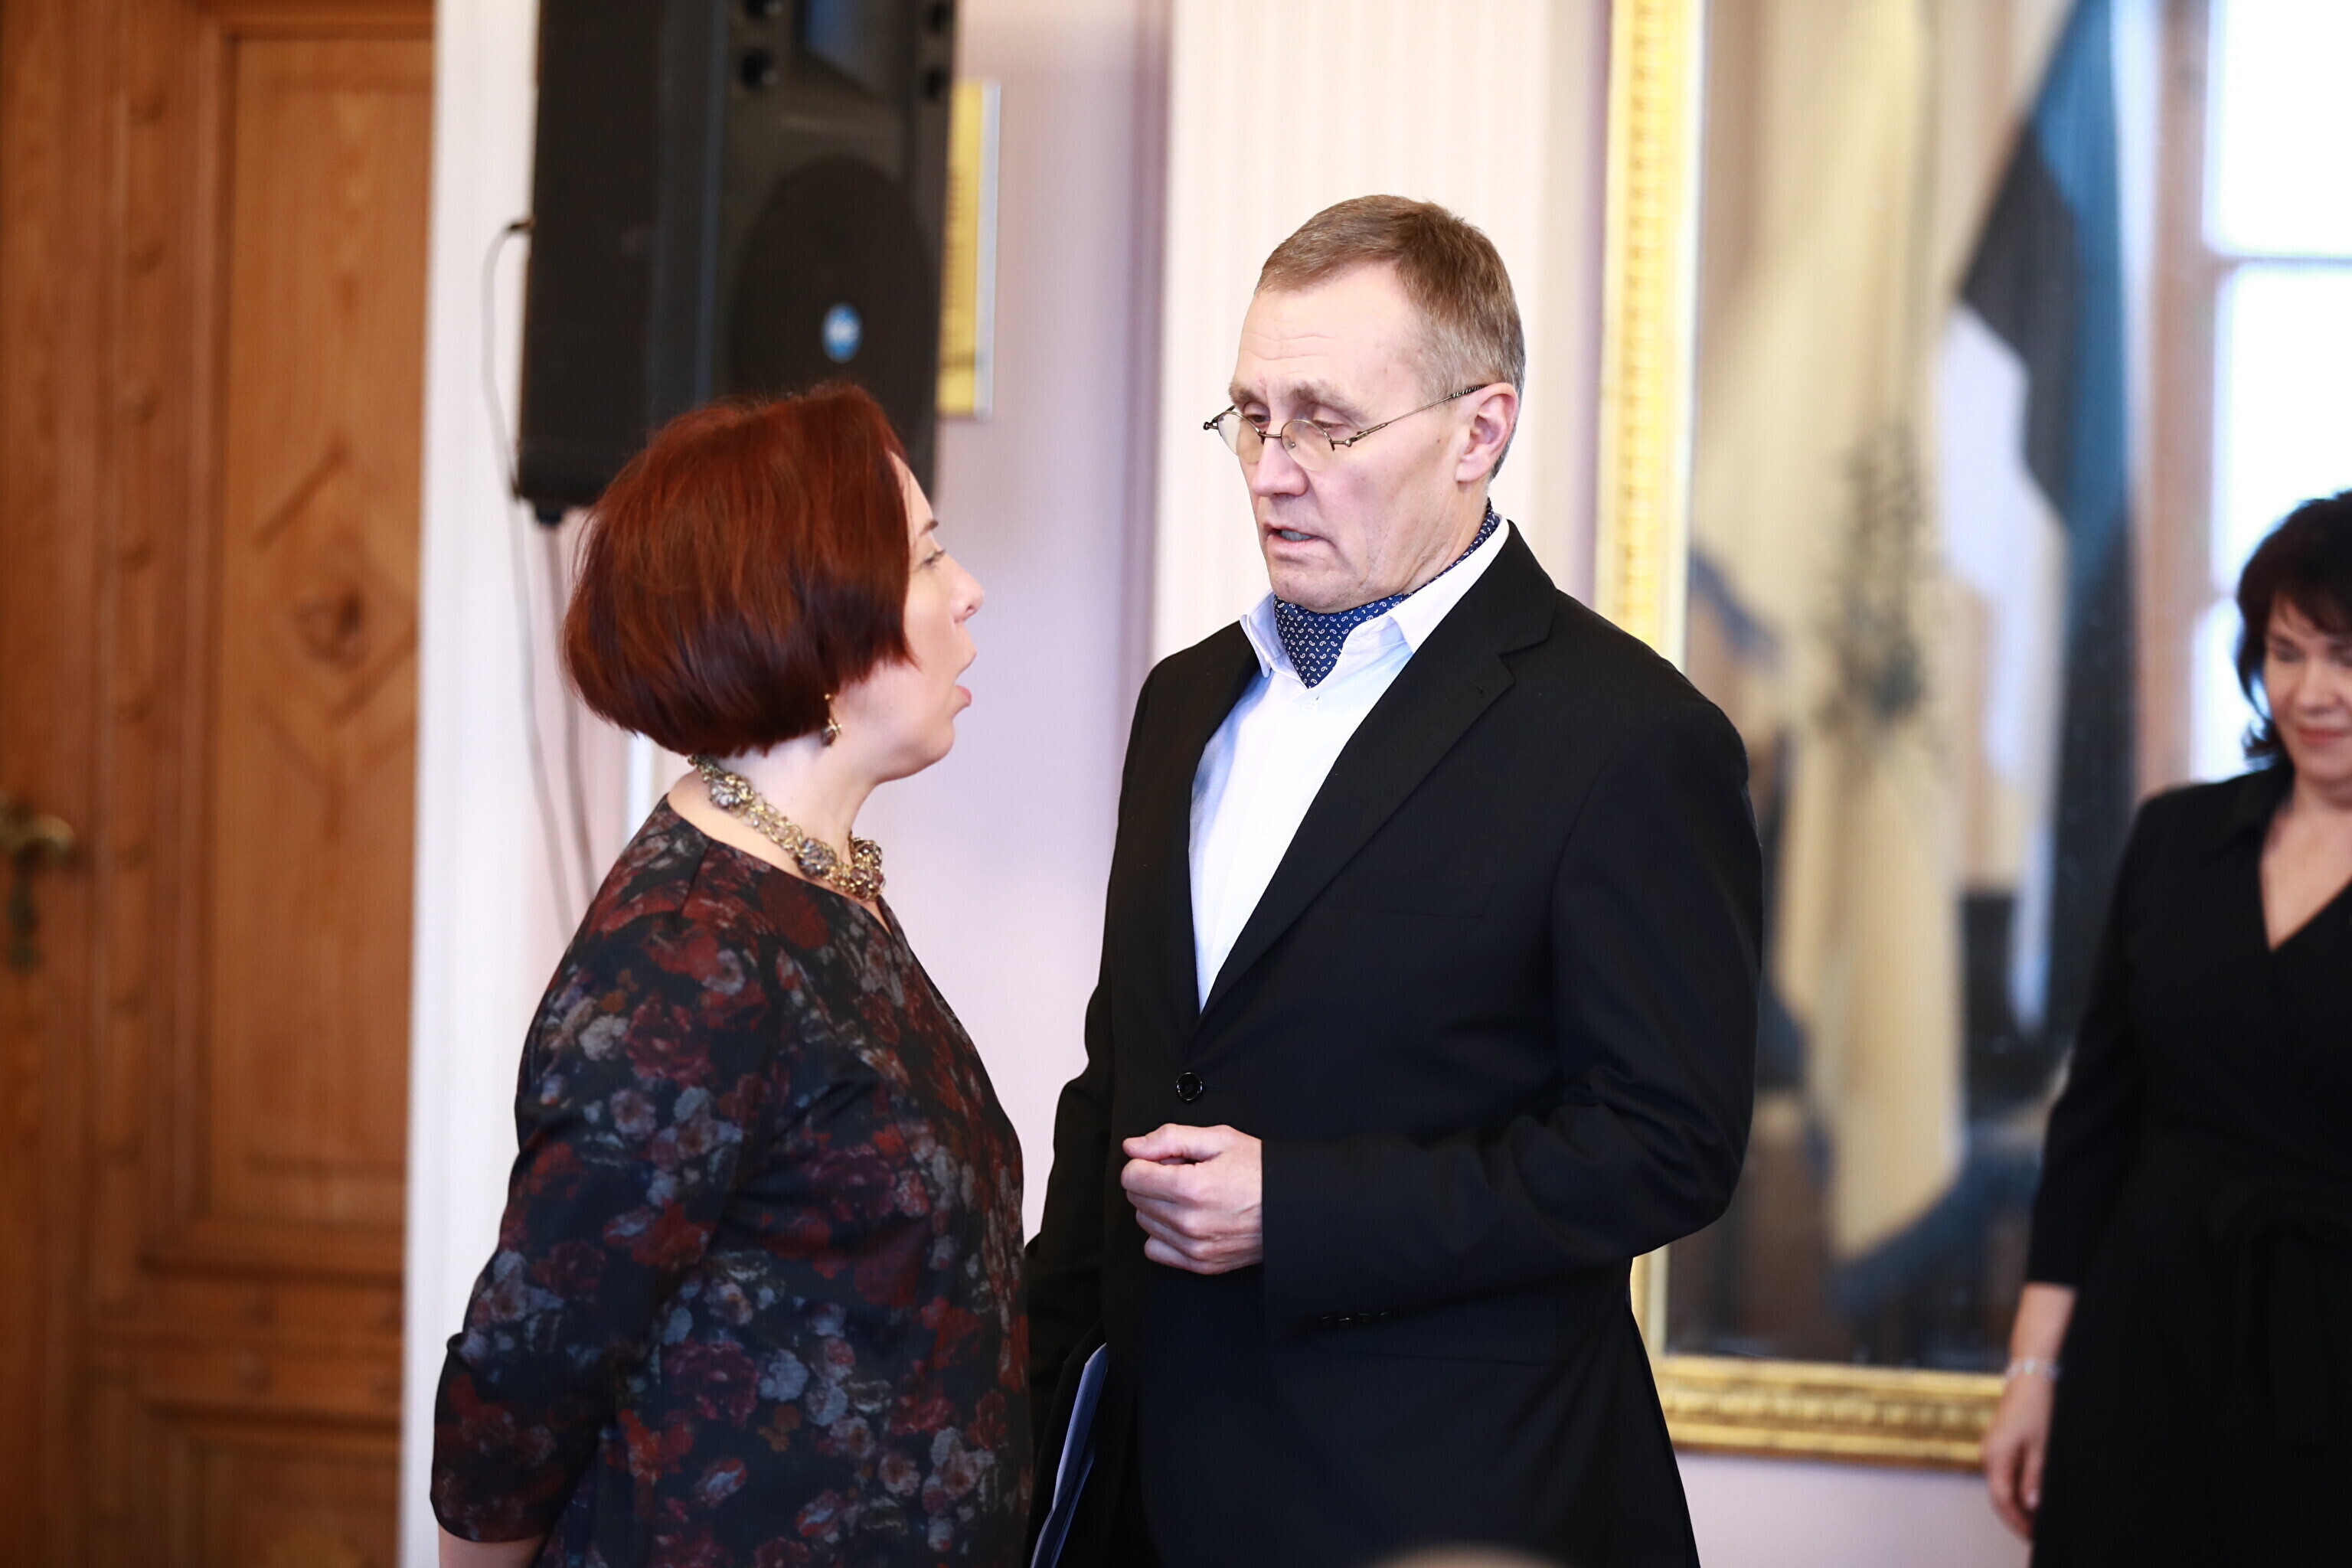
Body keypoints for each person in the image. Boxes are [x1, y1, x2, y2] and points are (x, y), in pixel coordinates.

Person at [1025, 196, 1762, 1567]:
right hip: (1149, 1495)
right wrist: (1027, 1405)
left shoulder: (1630, 738)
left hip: (1444, 1499)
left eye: (1327, 424)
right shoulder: (1185, 702)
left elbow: (1666, 1145)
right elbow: (1118, 1082)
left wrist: (1302, 1211)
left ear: (1480, 432)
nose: (1271, 472)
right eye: (1252, 417)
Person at [431, 387, 1031, 1566]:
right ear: (817, 622)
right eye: (927, 558)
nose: (966, 591)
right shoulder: (691, 951)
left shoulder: (817, 885)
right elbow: (530, 1365)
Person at [1982, 493, 2352, 1563]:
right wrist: (2032, 1373)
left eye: (2345, 656)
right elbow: (2092, 1128)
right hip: (2143, 1342)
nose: (2313, 692)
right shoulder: (2177, 839)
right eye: (2286, 652)